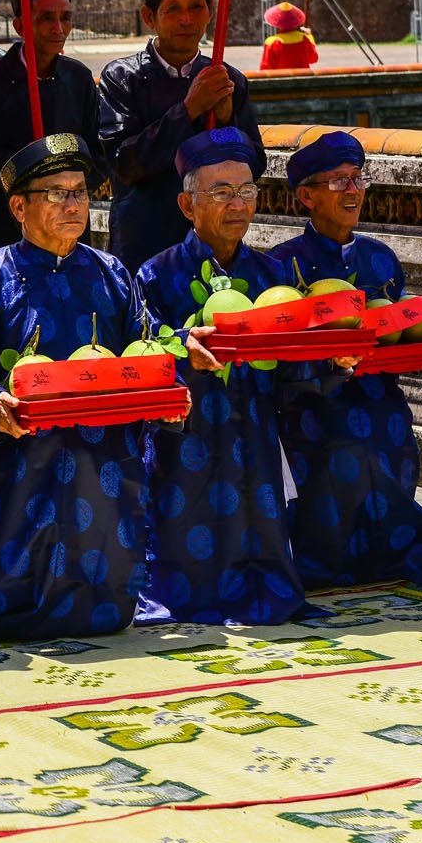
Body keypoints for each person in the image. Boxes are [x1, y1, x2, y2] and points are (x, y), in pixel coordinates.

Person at [0, 135, 158, 643]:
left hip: (104, 454)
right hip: (22, 454)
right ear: (19, 206)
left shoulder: (112, 274)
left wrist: (163, 388)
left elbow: (147, 347)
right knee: (15, 573)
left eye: (81, 192)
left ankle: (102, 604)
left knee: (104, 579)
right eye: (57, 193)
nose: (73, 204)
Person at [271, 131, 422, 590]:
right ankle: (327, 565)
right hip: (314, 403)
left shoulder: (381, 259)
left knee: (389, 435)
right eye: (338, 181)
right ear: (307, 196)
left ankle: (393, 555)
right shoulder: (282, 267)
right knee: (337, 444)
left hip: (380, 396)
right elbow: (277, 357)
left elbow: (401, 326)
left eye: (358, 179)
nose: (353, 191)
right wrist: (329, 365)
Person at [135, 128, 311, 626]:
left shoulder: (274, 274)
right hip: (187, 434)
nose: (238, 205)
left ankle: (263, 589)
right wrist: (180, 348)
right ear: (187, 206)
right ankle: (181, 596)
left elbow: (294, 364)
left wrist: (331, 358)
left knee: (258, 513)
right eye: (221, 193)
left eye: (247, 191)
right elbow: (142, 348)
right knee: (187, 518)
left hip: (254, 427)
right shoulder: (154, 275)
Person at [98, 0, 261, 273]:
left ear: (211, 11)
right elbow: (124, 164)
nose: (187, 19)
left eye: (196, 7)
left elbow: (253, 164)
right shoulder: (122, 78)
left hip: (214, 242)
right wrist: (188, 111)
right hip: (144, 241)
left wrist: (228, 122)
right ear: (149, 16)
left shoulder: (227, 80)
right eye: (173, 9)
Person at [0, 0, 105, 258]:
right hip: (7, 221)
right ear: (20, 25)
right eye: (46, 18)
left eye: (65, 18)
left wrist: (64, 188)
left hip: (69, 220)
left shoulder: (79, 78)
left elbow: (97, 153)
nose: (58, 28)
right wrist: (29, 171)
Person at [259, 1, 319, 71]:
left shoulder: (271, 42)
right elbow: (313, 58)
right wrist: (310, 36)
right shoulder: (304, 38)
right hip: (302, 80)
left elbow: (265, 68)